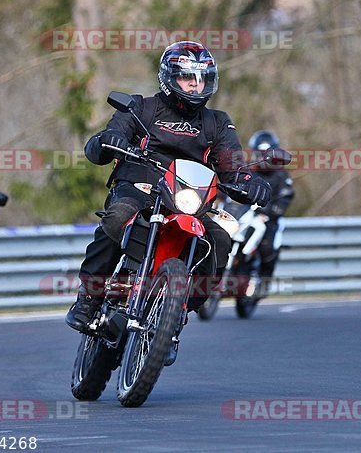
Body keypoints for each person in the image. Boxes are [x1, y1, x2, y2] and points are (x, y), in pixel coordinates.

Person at [65, 40, 271, 365]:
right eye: (188, 77)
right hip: (140, 186)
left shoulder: (217, 122)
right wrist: (109, 140)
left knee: (220, 239)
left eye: (202, 78)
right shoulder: (140, 108)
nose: (196, 84)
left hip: (189, 198)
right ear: (169, 77)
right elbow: (102, 141)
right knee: (118, 216)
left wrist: (250, 181)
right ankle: (89, 298)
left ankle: (174, 318)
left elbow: (231, 165)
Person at [247, 130, 295, 294]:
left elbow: (286, 195)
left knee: (266, 247)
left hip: (270, 218)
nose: (263, 157)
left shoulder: (281, 174)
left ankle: (264, 280)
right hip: (247, 215)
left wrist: (275, 210)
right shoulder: (249, 171)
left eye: (267, 154)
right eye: (259, 153)